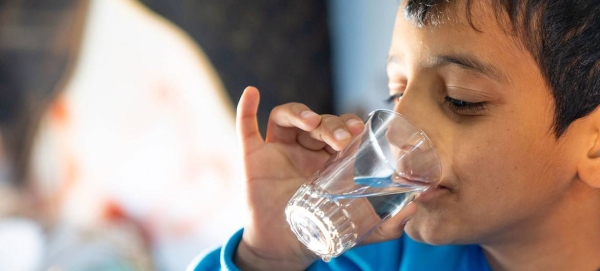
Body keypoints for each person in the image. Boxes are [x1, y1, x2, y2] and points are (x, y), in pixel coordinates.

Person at [189, 0, 600, 270]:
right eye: (396, 92)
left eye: (460, 99)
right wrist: (267, 256)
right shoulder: (371, 256)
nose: (395, 134)